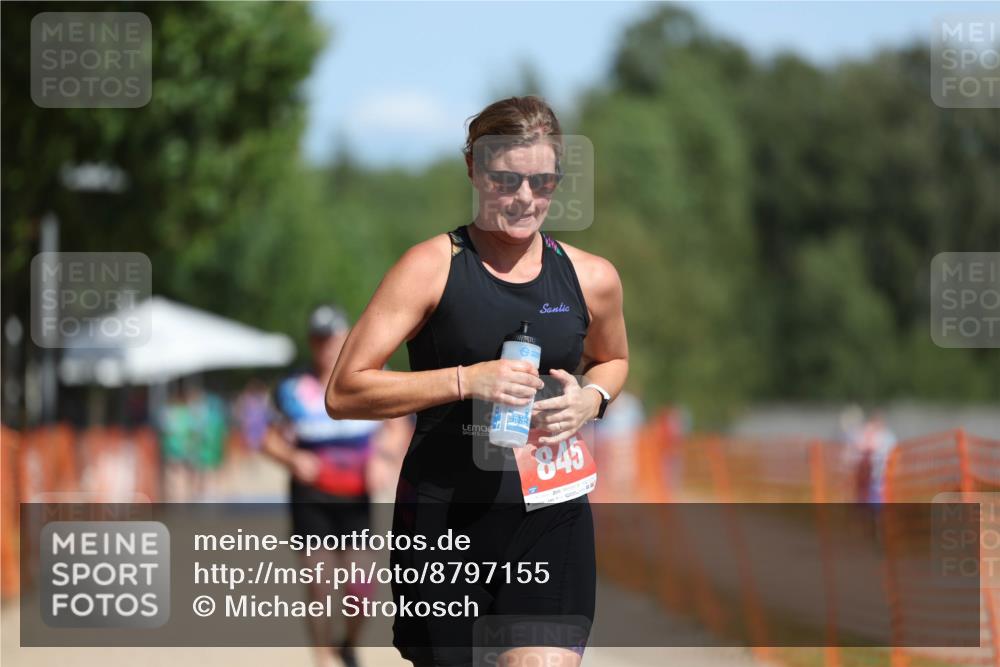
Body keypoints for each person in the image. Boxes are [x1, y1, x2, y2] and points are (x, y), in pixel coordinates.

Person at [325, 96, 628, 667]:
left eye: (541, 182)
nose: (524, 199)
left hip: (550, 516)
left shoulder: (592, 278)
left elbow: (613, 361)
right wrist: (468, 380)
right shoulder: (430, 267)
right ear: (473, 170)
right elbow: (345, 390)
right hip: (444, 520)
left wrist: (592, 398)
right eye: (505, 180)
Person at [264, 304, 410, 667]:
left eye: (332, 338)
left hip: (357, 496)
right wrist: (292, 459)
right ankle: (323, 654)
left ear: (346, 338)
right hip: (311, 496)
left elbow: (397, 428)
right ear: (311, 343)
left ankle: (349, 643)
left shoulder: (369, 377)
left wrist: (383, 458)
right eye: (319, 339)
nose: (326, 346)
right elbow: (265, 437)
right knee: (319, 581)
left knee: (360, 587)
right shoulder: (291, 388)